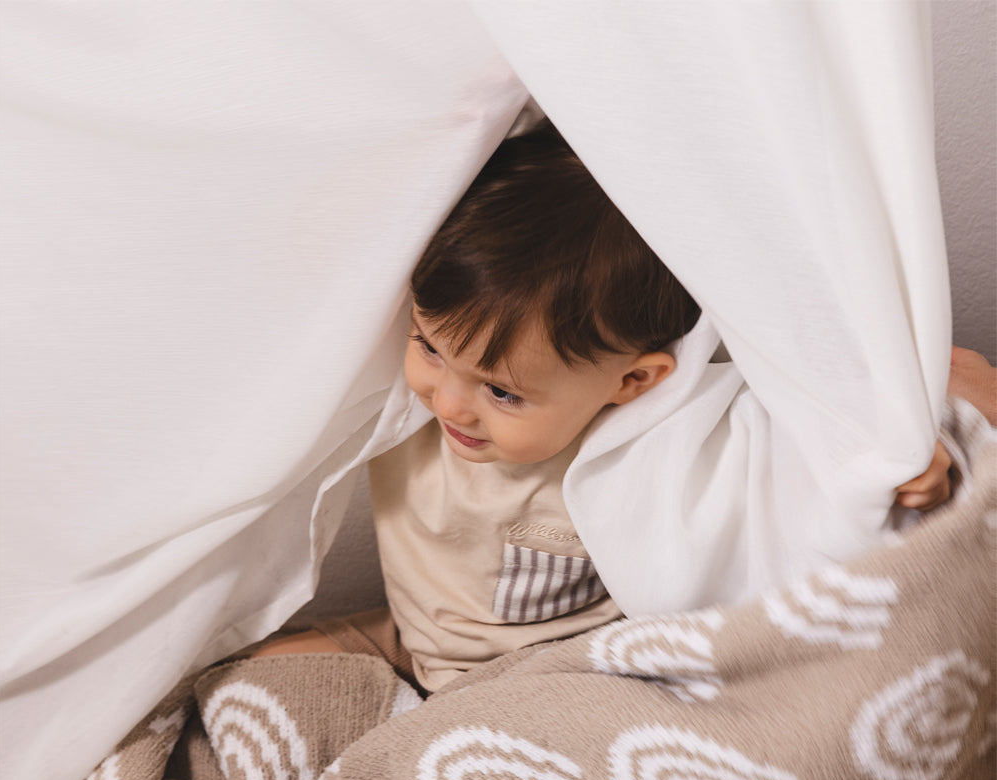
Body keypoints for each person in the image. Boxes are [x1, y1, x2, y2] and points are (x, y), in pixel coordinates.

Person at [251, 121, 963, 692]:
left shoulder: (658, 447)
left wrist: (900, 443)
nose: (450, 402)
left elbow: (809, 457)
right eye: (428, 349)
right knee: (250, 673)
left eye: (502, 392)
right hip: (412, 642)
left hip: (569, 679)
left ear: (634, 382)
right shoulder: (406, 405)